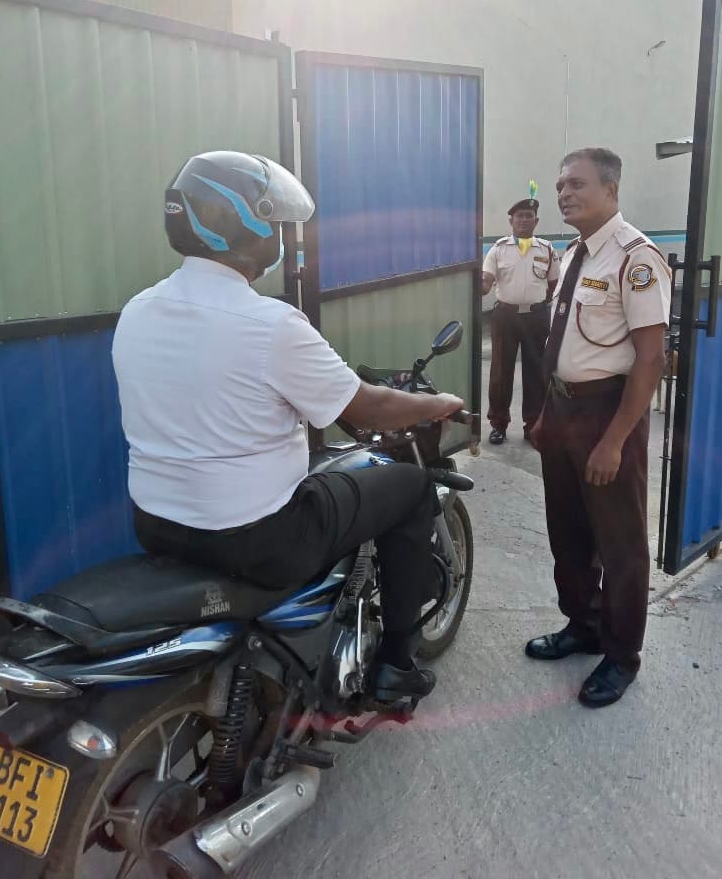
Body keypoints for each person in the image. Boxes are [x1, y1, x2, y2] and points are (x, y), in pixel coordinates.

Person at [112, 151, 465, 703]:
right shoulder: (269, 324)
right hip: (255, 538)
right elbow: (365, 407)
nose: (281, 234)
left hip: (155, 521)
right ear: (244, 225)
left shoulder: (138, 310)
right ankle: (396, 663)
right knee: (412, 489)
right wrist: (436, 403)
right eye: (274, 222)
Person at [527, 148, 670, 708]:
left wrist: (614, 439)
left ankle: (620, 654)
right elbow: (561, 340)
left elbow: (651, 359)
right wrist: (543, 414)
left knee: (620, 544)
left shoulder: (636, 258)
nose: (564, 193)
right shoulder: (574, 253)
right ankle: (582, 626)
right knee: (568, 531)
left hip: (609, 413)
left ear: (611, 189)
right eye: (560, 184)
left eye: (577, 184)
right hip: (562, 412)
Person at [482, 192, 559, 444]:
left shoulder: (547, 249)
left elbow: (553, 285)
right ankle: (499, 424)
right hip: (505, 316)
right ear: (511, 221)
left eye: (529, 216)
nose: (524, 220)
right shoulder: (498, 249)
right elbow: (486, 282)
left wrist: (537, 304)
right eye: (519, 216)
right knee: (500, 373)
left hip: (536, 317)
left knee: (536, 373)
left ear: (536, 222)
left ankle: (533, 426)